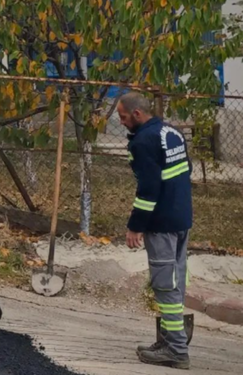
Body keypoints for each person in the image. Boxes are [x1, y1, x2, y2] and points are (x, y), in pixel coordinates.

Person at [117, 92, 193, 370]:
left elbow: (148, 190)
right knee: (175, 281)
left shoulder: (144, 141)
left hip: (161, 224)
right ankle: (168, 340)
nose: (122, 123)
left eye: (123, 117)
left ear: (137, 114)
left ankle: (175, 350)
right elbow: (187, 171)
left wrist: (135, 226)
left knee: (165, 285)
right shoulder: (172, 133)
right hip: (182, 218)